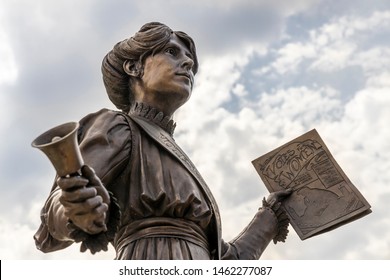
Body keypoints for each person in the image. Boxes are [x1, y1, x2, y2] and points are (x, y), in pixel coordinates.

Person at [34, 22, 291, 260]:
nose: (188, 63)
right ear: (134, 68)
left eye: (189, 58)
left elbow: (226, 262)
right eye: (172, 52)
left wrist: (270, 217)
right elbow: (54, 219)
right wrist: (74, 207)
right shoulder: (118, 126)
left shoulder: (179, 159)